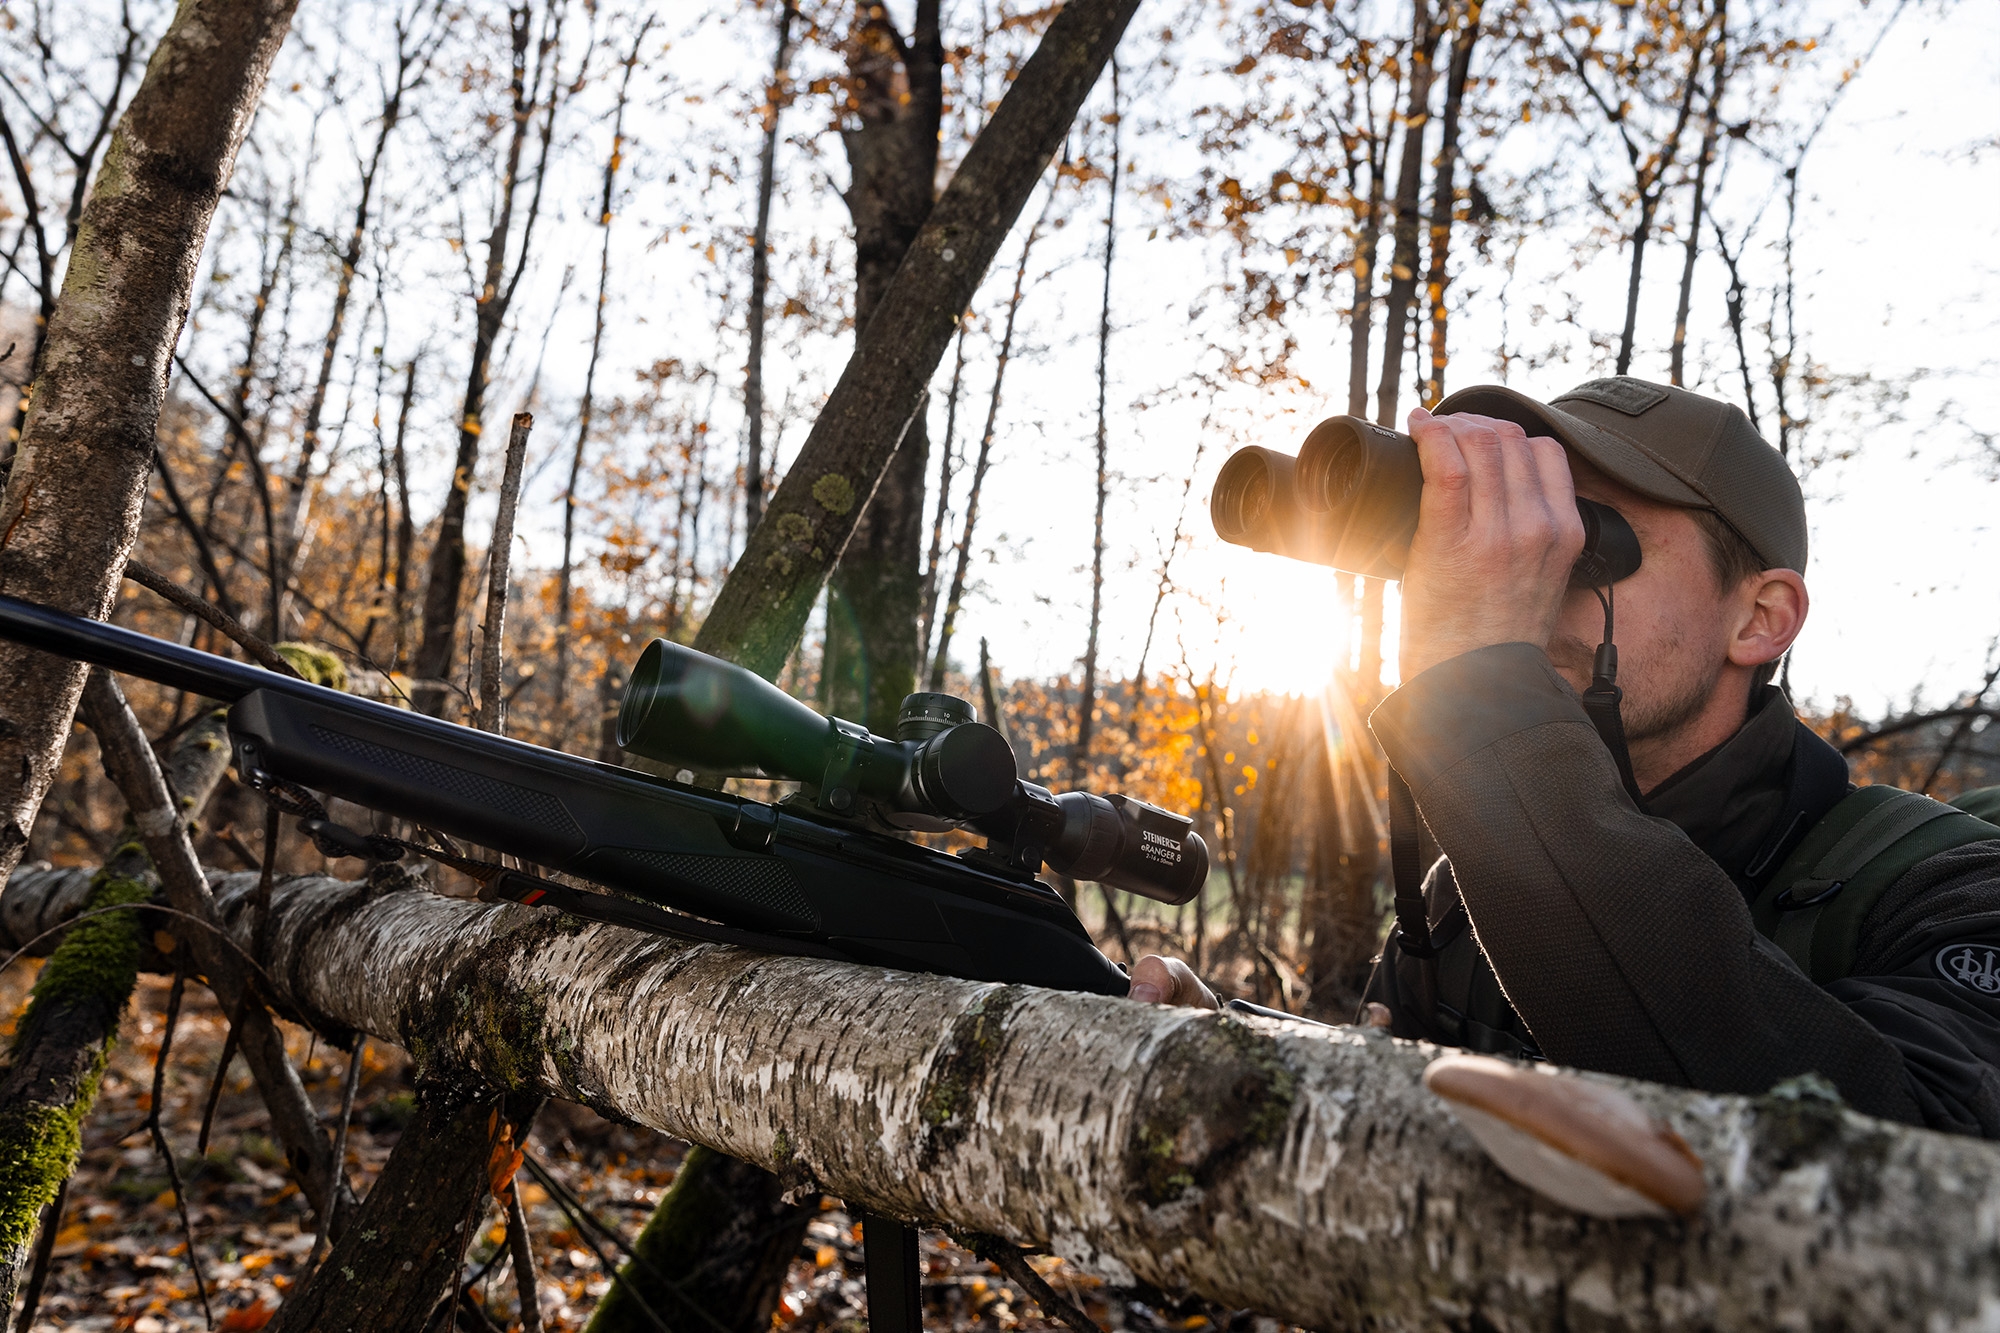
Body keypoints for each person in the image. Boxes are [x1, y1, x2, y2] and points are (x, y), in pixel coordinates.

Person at [1131, 377, 2000, 1137]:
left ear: (1760, 617)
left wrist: (1480, 696)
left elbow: (1897, 1151)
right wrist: (1230, 1046)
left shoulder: (1943, 888)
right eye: (1521, 528)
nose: (1534, 573)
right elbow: (1397, 1127)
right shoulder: (1471, 878)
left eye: (1581, 539)